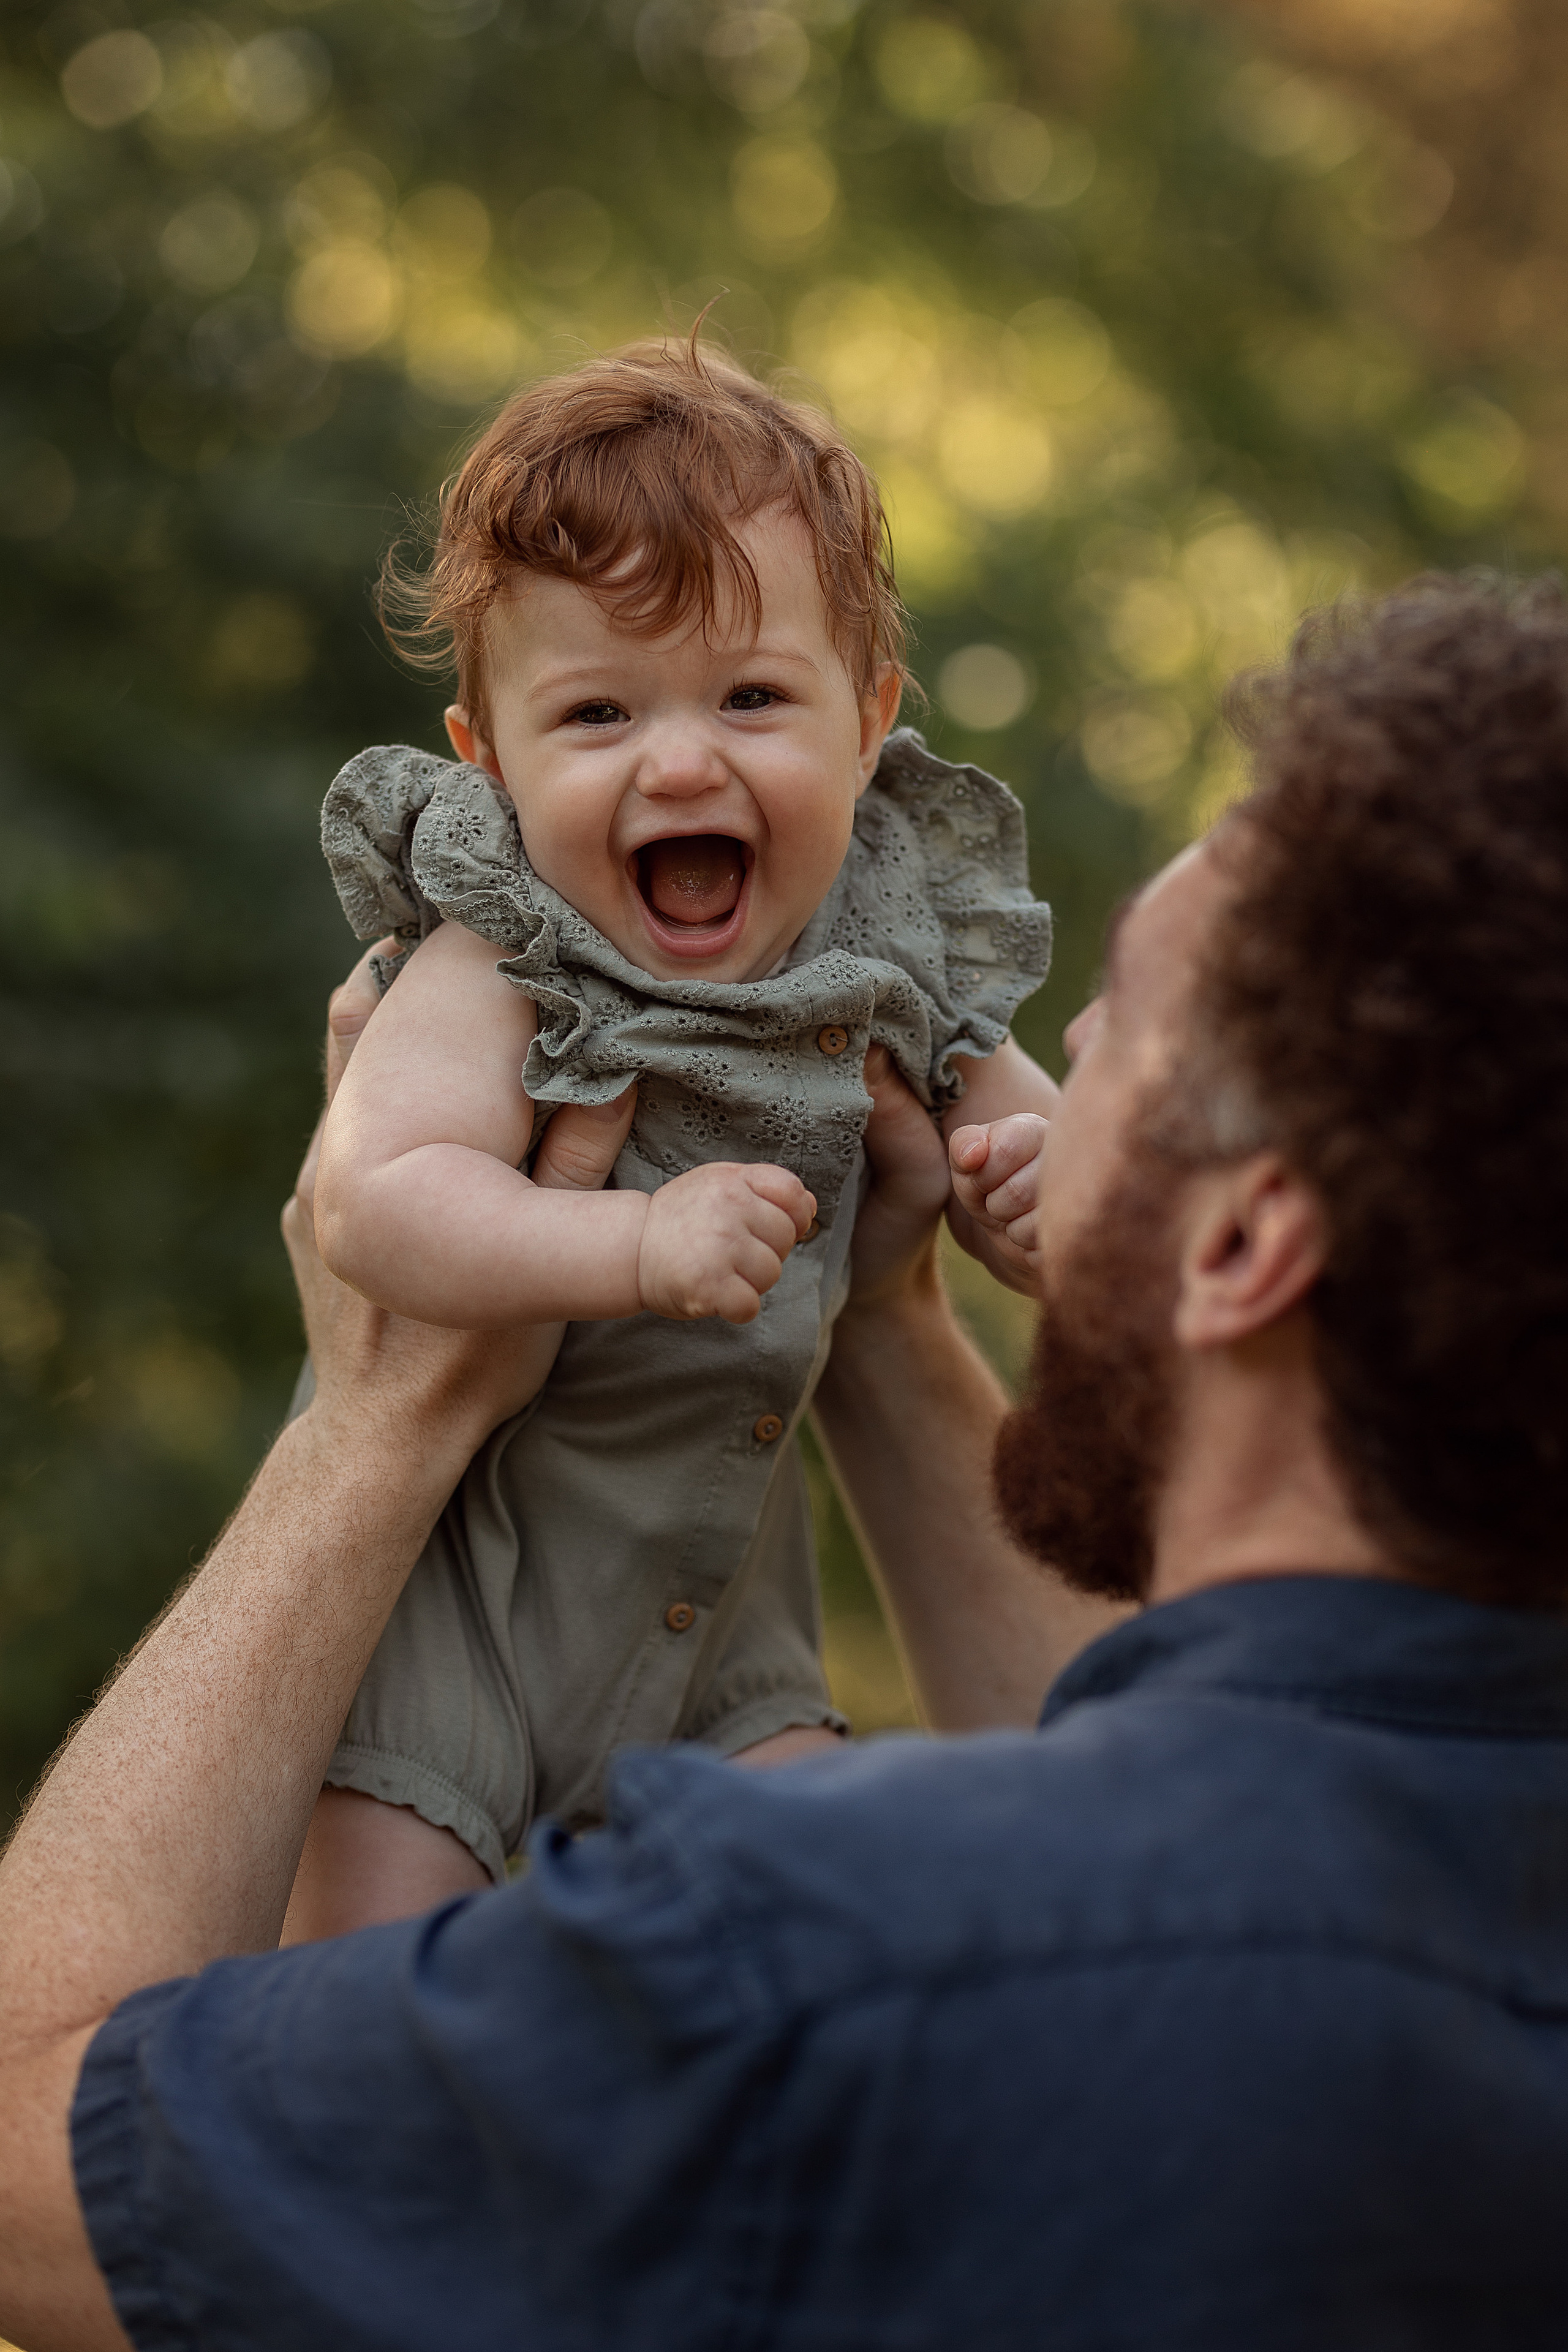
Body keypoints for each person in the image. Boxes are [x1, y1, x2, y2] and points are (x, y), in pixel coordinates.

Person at [7, 571, 1568, 2350]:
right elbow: (1179, 1794)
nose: (1059, 1048)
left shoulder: (807, 1955)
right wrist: (881, 1321)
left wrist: (377, 1428)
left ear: (1241, 1245)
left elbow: (19, 2175)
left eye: (1126, 1018)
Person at [297, 336, 1057, 1921]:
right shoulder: (500, 949)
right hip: (452, 1643)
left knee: (835, 1952)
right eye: (598, 715)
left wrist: (1048, 1194)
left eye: (755, 695)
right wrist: (633, 1239)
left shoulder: (885, 927)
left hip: (718, 1650)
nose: (685, 757)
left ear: (870, 720)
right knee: (355, 2025)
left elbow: (1026, 1133)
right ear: (488, 762)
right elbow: (376, 1202)